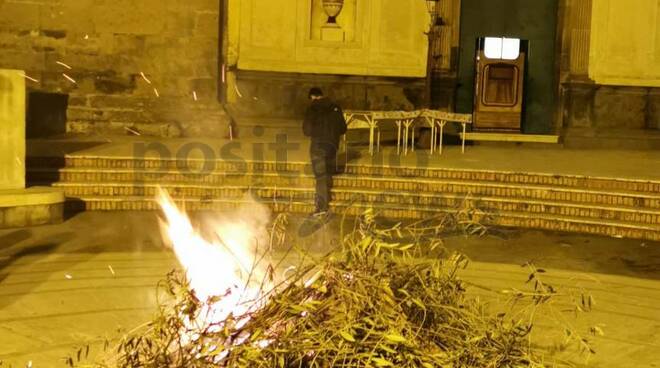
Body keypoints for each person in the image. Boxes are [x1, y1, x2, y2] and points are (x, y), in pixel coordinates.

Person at [303, 87, 347, 219]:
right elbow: (343, 128)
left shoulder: (312, 109)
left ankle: (322, 207)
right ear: (322, 95)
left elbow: (307, 131)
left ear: (312, 97)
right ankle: (325, 200)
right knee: (326, 173)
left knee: (320, 177)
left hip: (318, 147)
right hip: (332, 147)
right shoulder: (335, 107)